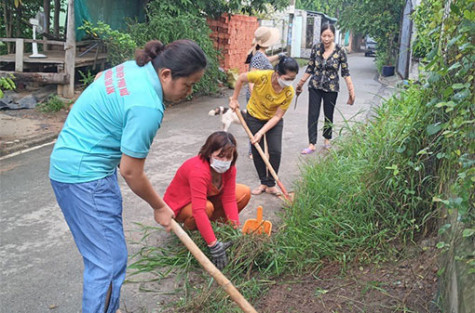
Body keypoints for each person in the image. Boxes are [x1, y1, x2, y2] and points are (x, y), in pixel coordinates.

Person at [49, 39, 207, 313]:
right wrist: (160, 207)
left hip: (73, 161)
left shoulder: (134, 68)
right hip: (85, 176)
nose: (189, 92)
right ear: (166, 74)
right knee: (108, 262)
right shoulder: (148, 106)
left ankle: (108, 306)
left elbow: (100, 79)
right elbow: (131, 171)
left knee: (105, 255)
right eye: (188, 84)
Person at [163, 131, 251, 270]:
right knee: (205, 208)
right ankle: (192, 233)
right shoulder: (198, 170)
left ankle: (212, 229)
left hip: (205, 200)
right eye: (219, 156)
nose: (224, 161)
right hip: (181, 207)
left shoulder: (229, 169)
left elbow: (229, 200)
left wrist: (235, 232)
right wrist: (214, 245)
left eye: (228, 157)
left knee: (243, 192)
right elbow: (198, 210)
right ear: (209, 153)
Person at [229, 56, 299, 196]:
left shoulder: (289, 92)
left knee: (275, 151)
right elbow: (242, 78)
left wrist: (261, 132)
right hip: (254, 116)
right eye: (287, 78)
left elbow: (278, 116)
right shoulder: (262, 76)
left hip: (273, 120)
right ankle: (263, 182)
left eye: (293, 79)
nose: (290, 82)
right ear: (277, 73)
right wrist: (235, 98)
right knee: (257, 150)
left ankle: (271, 184)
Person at [296, 23, 355, 154]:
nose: (326, 39)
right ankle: (311, 144)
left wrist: (351, 91)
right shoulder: (316, 48)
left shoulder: (340, 51)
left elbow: (345, 72)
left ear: (334, 35)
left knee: (328, 115)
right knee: (313, 114)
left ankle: (327, 139)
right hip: (315, 86)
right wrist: (300, 83)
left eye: (329, 36)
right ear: (321, 35)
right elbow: (310, 67)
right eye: (324, 35)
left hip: (332, 88)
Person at [244, 26, 284, 159]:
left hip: (259, 95)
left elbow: (266, 61)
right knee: (256, 123)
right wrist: (255, 97)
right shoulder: (258, 57)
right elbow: (251, 79)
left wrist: (279, 56)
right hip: (257, 96)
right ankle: (254, 151)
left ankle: (256, 151)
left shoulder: (259, 54)